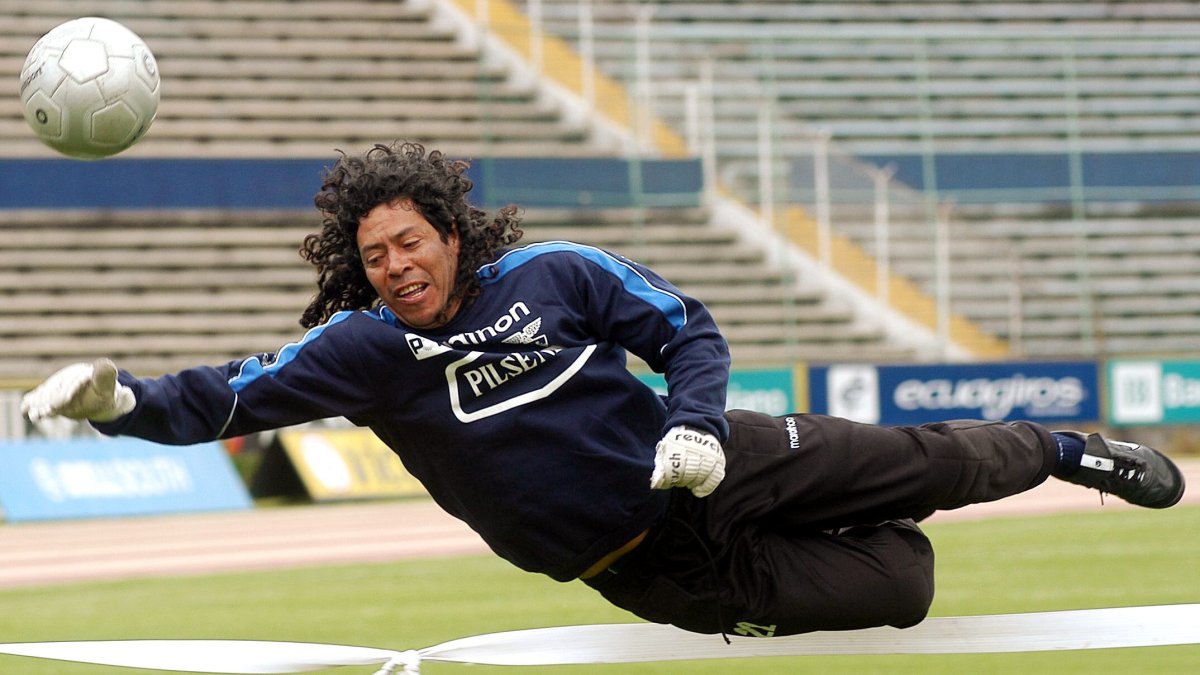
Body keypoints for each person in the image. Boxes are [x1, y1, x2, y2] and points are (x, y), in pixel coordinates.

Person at [21, 142, 1185, 639]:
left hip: (724, 457)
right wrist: (114, 400)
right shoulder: (363, 351)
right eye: (376, 257)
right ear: (357, 270)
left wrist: (692, 429)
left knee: (926, 462)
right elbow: (221, 400)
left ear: (450, 229)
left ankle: (1068, 449)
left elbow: (689, 326)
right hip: (649, 568)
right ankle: (868, 535)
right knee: (903, 587)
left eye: (413, 241)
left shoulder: (551, 274)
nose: (400, 266)